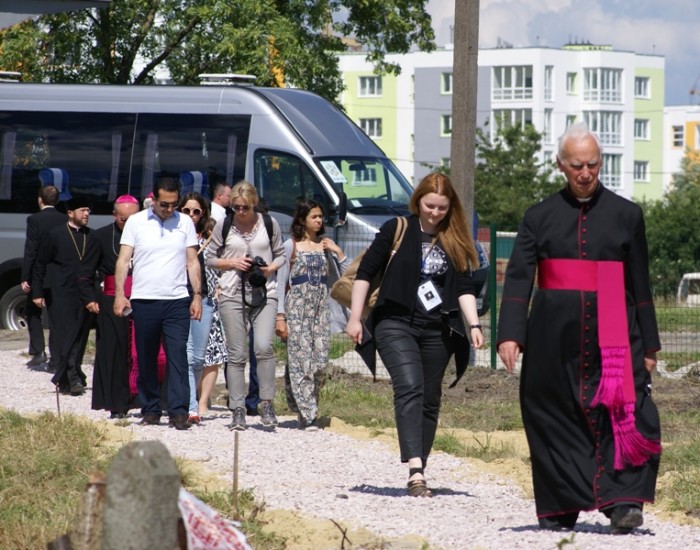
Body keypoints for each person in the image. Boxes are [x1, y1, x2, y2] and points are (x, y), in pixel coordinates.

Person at [496, 122, 662, 534]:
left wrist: (650, 345)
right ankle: (562, 501)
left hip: (615, 324)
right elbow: (519, 279)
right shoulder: (538, 217)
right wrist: (510, 333)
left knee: (626, 410)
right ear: (560, 165)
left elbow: (640, 284)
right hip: (553, 332)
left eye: (592, 164)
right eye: (576, 166)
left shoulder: (628, 215)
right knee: (552, 412)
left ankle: (623, 502)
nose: (586, 173)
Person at [345, 172, 484, 497]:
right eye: (429, 205)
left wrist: (474, 325)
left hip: (438, 329)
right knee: (409, 385)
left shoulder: (455, 238)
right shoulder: (398, 229)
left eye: (441, 207)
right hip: (395, 322)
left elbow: (464, 288)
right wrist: (355, 318)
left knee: (430, 397)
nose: (434, 213)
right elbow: (365, 274)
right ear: (418, 200)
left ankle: (420, 459)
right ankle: (415, 470)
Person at [113, 178, 202, 431]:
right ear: (154, 199)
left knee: (177, 357)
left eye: (174, 204)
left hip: (176, 300)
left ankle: (178, 411)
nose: (169, 209)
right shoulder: (136, 222)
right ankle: (151, 408)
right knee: (146, 356)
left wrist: (197, 294)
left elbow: (192, 261)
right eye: (164, 204)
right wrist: (120, 294)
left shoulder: (184, 222)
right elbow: (123, 260)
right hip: (144, 299)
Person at [205, 181, 285, 431]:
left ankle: (267, 403)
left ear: (254, 204)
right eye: (235, 207)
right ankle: (237, 408)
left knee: (263, 347)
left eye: (244, 207)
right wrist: (233, 263)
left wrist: (271, 267)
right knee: (237, 353)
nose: (239, 211)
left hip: (265, 292)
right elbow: (209, 258)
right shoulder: (224, 224)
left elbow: (281, 253)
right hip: (232, 292)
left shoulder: (269, 223)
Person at [276, 199, 349, 430]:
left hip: (320, 310)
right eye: (314, 217)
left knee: (318, 361)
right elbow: (280, 282)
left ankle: (304, 404)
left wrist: (339, 252)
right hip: (297, 308)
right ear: (302, 220)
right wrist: (280, 316)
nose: (319, 221)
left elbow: (346, 277)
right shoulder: (292, 246)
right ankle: (309, 414)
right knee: (301, 360)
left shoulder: (327, 245)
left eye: (320, 217)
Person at [32, 197, 99, 395]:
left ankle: (72, 373)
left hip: (84, 294)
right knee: (64, 335)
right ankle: (73, 377)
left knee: (81, 336)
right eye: (82, 210)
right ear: (70, 213)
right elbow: (40, 264)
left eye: (88, 210)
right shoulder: (55, 235)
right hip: (59, 292)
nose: (86, 214)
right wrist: (37, 292)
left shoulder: (92, 237)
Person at [83, 195, 141, 418]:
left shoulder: (148, 233)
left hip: (144, 297)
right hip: (111, 300)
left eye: (134, 218)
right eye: (124, 219)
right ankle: (117, 403)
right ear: (115, 215)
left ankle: (143, 400)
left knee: (142, 351)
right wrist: (89, 299)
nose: (129, 223)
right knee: (115, 352)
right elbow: (85, 272)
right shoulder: (101, 236)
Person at [178, 191, 216, 424]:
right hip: (179, 296)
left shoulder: (210, 238)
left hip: (206, 299)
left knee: (200, 357)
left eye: (196, 211)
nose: (191, 215)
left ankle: (192, 400)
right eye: (186, 210)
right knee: (188, 354)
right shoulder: (174, 235)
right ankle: (191, 405)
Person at [21, 185, 65, 369]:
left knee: (33, 312)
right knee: (56, 316)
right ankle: (57, 357)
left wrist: (26, 276)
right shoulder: (64, 219)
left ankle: (38, 351)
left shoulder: (34, 220)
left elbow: (31, 250)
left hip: (39, 273)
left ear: (40, 199)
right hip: (58, 273)